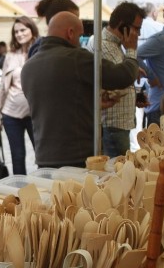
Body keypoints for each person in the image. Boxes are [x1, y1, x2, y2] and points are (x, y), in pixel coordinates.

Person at [22, 11, 139, 168]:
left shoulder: (28, 67)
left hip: (44, 158)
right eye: (79, 36)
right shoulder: (76, 57)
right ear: (70, 33)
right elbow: (122, 77)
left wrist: (94, 103)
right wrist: (131, 51)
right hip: (78, 158)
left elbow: (58, 104)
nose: (79, 42)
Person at [95, 2, 146, 158]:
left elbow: (117, 83)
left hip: (119, 124)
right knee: (118, 174)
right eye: (136, 28)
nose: (138, 34)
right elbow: (120, 80)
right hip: (113, 126)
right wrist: (132, 50)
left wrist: (135, 96)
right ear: (122, 25)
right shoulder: (102, 46)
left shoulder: (115, 46)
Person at [0, 17, 39, 175]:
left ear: (32, 30)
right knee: (18, 157)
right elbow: (2, 87)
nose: (19, 34)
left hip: (34, 114)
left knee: (41, 156)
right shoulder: (10, 55)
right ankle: (20, 195)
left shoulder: (39, 51)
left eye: (23, 30)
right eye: (16, 31)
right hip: (11, 113)